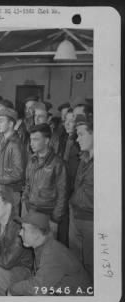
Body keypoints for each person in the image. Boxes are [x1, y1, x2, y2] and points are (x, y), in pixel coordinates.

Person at [8, 211, 91, 296]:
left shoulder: (52, 252)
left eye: (24, 229)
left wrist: (13, 290)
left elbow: (38, 287)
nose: (20, 233)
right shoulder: (43, 247)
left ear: (36, 234)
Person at [22, 124, 68, 243]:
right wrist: (25, 201)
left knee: (48, 249)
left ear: (47, 140)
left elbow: (62, 194)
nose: (31, 143)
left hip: (48, 214)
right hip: (32, 210)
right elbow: (27, 184)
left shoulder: (58, 163)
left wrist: (55, 219)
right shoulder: (32, 160)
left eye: (36, 139)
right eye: (31, 139)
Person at [0, 107, 25, 215]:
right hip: (1, 190)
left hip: (9, 192)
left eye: (1, 121)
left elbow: (18, 173)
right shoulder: (2, 140)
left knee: (9, 225)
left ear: (11, 123)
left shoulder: (15, 144)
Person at [69, 115, 94, 282]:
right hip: (76, 216)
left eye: (81, 134)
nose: (77, 139)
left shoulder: (107, 160)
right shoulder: (84, 159)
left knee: (91, 264)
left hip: (91, 219)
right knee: (76, 263)